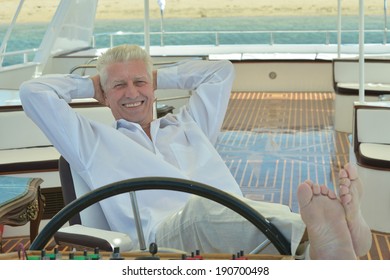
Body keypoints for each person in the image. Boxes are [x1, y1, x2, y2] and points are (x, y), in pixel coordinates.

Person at [19, 44, 371, 259]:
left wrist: (159, 76)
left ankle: (327, 244)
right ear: (105, 95)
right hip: (161, 237)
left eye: (140, 82)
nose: (132, 92)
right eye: (118, 86)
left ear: (153, 86)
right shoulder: (90, 141)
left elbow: (220, 72)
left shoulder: (188, 125)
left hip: (238, 219)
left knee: (243, 219)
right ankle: (329, 231)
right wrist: (89, 84)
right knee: (202, 209)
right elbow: (33, 92)